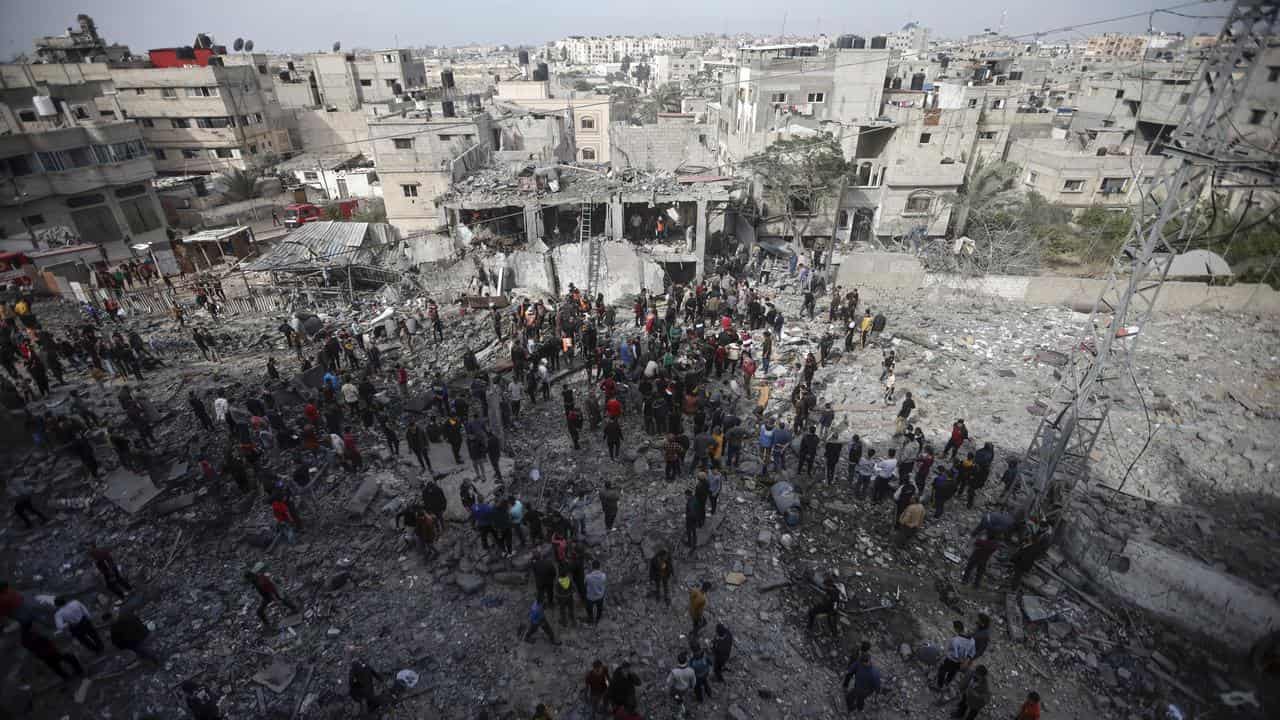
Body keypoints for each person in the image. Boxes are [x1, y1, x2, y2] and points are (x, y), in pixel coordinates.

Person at [937, 620, 976, 689]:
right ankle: (947, 682)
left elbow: (954, 653)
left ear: (956, 629)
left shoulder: (955, 640)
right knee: (953, 672)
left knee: (942, 670)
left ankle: (939, 685)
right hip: (961, 662)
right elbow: (972, 653)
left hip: (951, 660)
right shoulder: (972, 641)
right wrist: (965, 661)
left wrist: (944, 655)